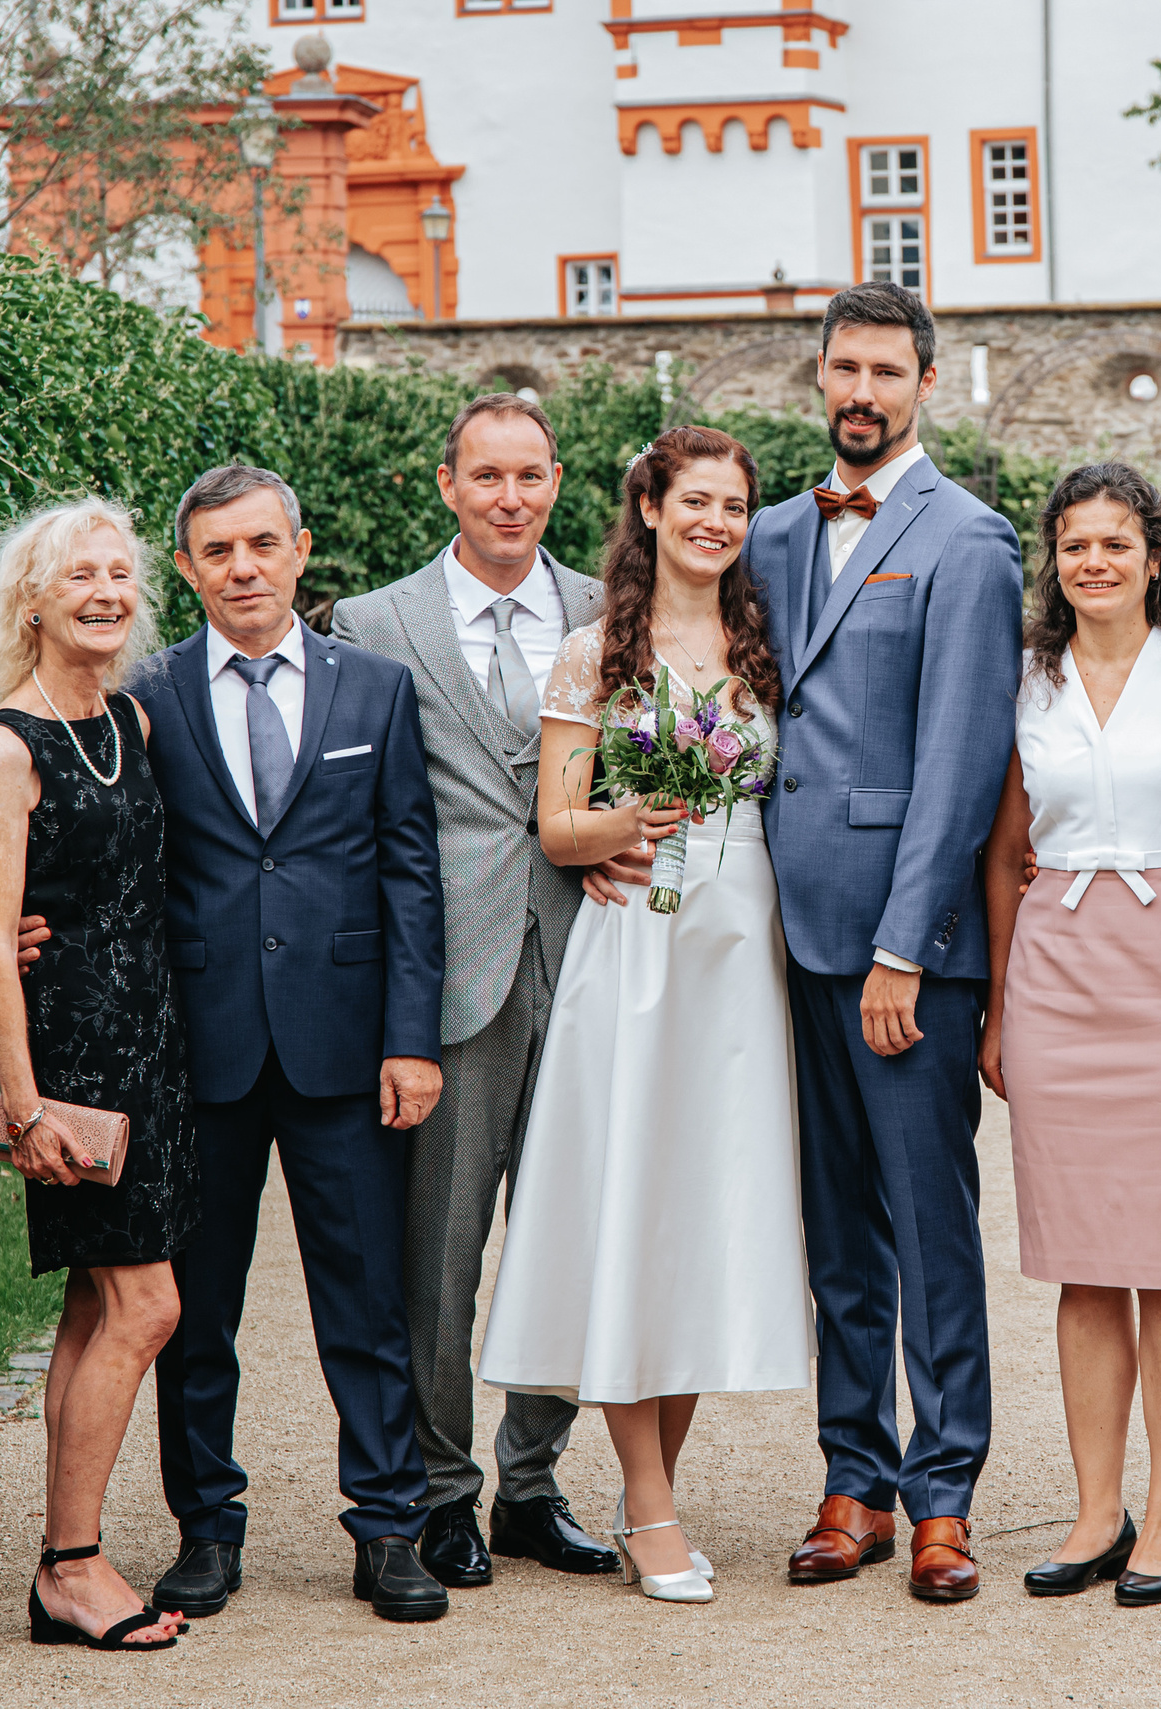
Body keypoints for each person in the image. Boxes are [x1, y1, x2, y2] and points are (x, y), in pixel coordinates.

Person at [477, 424, 813, 1606]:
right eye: (696, 502)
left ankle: (645, 1491)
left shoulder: (763, 650)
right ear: (652, 510)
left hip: (739, 962)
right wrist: (630, 821)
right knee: (633, 1208)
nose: (716, 522)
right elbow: (558, 827)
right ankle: (651, 1504)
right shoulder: (592, 655)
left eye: (734, 506)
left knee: (706, 1220)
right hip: (635, 957)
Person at [126, 464, 450, 1623]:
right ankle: (205, 1528)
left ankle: (388, 1527)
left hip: (346, 1044)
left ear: (301, 549)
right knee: (196, 1307)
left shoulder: (375, 690)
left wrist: (411, 1038)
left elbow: (411, 872)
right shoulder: (146, 693)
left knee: (364, 1300)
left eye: (261, 544)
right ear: (188, 569)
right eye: (217, 551)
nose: (243, 568)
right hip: (198, 1052)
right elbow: (115, 858)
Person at [747, 282, 1025, 1603]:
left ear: (925, 380)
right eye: (842, 368)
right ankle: (851, 1477)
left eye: (885, 370)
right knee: (837, 1231)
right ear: (821, 378)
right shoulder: (770, 535)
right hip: (791, 939)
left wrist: (906, 950)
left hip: (906, 953)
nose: (862, 391)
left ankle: (945, 1490)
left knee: (928, 1225)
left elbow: (961, 767)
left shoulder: (969, 540)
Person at [331, 394, 619, 1588]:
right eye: (487, 476)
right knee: (439, 1247)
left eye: (531, 477)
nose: (511, 498)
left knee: (572, 1232)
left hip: (595, 954)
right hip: (451, 966)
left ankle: (533, 1480)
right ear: (447, 483)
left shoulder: (612, 612)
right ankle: (443, 1489)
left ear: (558, 482)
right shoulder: (371, 621)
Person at [979, 463, 1161, 1608]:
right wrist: (994, 1001)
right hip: (1055, 971)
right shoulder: (1025, 679)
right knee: (1083, 1262)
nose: (1093, 562)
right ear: (1055, 559)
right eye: (1074, 544)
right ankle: (1095, 1508)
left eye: (1115, 544)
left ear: (1155, 556)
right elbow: (1002, 852)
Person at [0, 498, 195, 1652]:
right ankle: (73, 1562)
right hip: (74, 1064)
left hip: (149, 1048)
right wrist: (22, 1104)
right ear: (34, 601)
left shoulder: (131, 722)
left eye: (119, 571)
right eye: (79, 574)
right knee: (150, 1303)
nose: (105, 589)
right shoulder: (9, 741)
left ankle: (65, 1558)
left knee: (90, 1310)